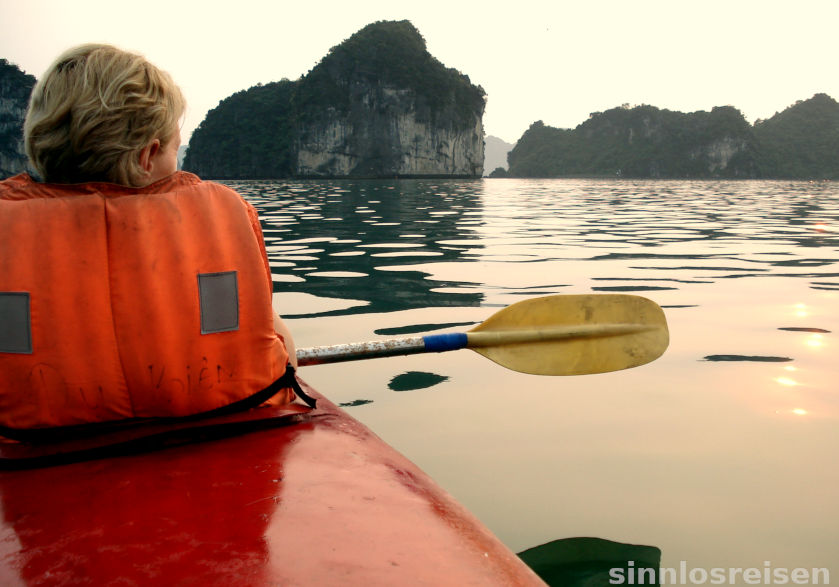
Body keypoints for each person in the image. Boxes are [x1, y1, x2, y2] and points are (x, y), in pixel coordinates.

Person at [0, 44, 309, 439]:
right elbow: (284, 361)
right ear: (148, 156)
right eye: (176, 147)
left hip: (39, 449)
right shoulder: (228, 216)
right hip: (222, 438)